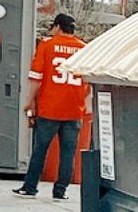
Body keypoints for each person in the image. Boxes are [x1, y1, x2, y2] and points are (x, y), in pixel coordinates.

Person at [16, 10, 88, 200]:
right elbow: (88, 81)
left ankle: (30, 187)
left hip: (50, 107)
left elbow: (36, 78)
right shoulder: (83, 48)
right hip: (74, 109)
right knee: (68, 153)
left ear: (57, 27)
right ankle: (60, 191)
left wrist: (29, 102)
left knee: (40, 149)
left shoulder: (47, 45)